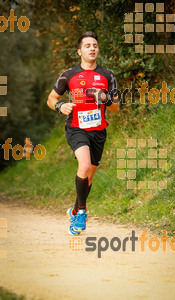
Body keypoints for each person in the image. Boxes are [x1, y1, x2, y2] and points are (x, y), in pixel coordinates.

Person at [47, 31, 119, 235]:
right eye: (87, 45)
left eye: (95, 45)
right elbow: (51, 98)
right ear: (79, 51)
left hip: (98, 131)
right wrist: (60, 106)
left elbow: (115, 108)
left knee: (89, 177)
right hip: (76, 128)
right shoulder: (68, 74)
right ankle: (82, 213)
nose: (92, 48)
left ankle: (76, 208)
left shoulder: (108, 75)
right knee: (84, 165)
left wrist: (105, 98)